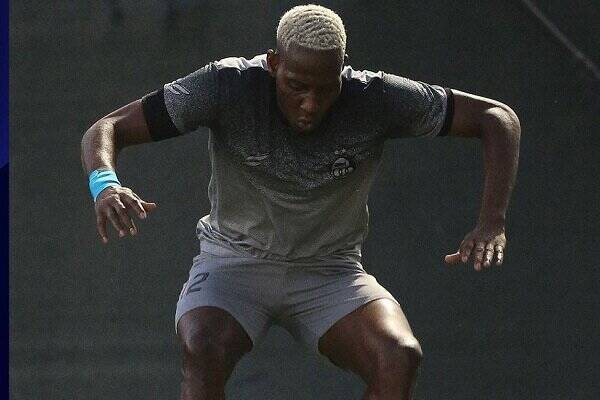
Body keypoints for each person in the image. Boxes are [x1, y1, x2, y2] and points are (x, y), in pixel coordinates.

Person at [80, 4, 520, 400]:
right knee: (202, 348)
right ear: (274, 63)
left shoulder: (376, 97)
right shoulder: (225, 86)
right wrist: (106, 184)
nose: (310, 104)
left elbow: (497, 118)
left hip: (331, 271)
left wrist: (492, 221)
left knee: (399, 356)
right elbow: (108, 128)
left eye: (326, 89)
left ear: (343, 71)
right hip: (234, 264)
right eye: (296, 86)